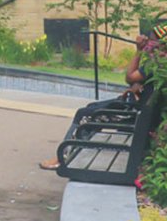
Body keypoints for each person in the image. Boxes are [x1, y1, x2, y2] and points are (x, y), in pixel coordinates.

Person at [38, 32, 153, 171]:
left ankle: (63, 156)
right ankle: (72, 151)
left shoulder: (156, 64)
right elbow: (135, 82)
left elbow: (130, 77)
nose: (148, 41)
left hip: (134, 113)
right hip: (138, 110)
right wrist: (136, 87)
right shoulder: (164, 62)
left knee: (86, 114)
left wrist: (139, 51)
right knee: (91, 108)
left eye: (152, 39)